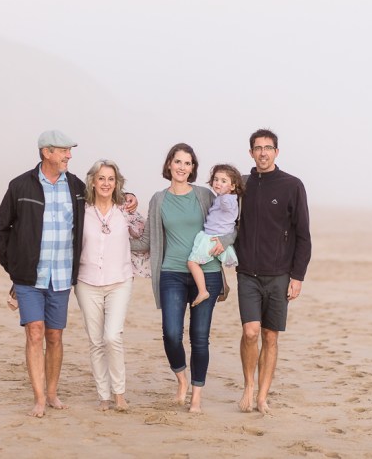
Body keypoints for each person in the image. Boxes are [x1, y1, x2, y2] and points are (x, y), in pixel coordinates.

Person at [0, 130, 137, 417]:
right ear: (46, 152)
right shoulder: (20, 186)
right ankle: (39, 398)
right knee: (35, 332)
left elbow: (104, 198)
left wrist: (129, 197)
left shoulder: (75, 188)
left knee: (54, 335)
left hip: (61, 276)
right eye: (64, 151)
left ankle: (52, 393)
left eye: (69, 151)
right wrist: (15, 268)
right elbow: (3, 228)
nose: (69, 156)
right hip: (29, 278)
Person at [134, 143, 236, 413]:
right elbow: (146, 240)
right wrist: (114, 238)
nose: (182, 167)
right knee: (171, 333)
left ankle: (196, 396)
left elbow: (230, 225)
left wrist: (225, 242)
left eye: (187, 163)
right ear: (169, 164)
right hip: (172, 273)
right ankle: (181, 380)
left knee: (200, 336)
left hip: (208, 273)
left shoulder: (204, 195)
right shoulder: (159, 199)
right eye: (178, 161)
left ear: (193, 168)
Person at [235, 128, 312, 414]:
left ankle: (262, 397)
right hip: (247, 273)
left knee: (270, 336)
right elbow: (215, 206)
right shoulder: (242, 185)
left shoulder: (292, 185)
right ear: (251, 153)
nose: (263, 153)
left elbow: (303, 235)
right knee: (251, 332)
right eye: (258, 148)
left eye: (268, 148)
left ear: (276, 152)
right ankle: (248, 386)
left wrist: (298, 276)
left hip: (279, 274)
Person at [75, 159, 144, 412]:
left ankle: (119, 393)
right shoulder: (82, 211)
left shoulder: (124, 211)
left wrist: (132, 200)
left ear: (117, 183)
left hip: (120, 281)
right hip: (87, 282)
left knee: (112, 337)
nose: (106, 183)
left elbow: (144, 234)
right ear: (93, 181)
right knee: (96, 341)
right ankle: (103, 395)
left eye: (111, 179)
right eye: (101, 178)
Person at [186, 164, 245, 306]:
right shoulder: (220, 197)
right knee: (212, 263)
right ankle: (224, 285)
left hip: (212, 238)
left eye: (224, 181)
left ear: (232, 186)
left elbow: (227, 207)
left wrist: (224, 195)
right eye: (216, 179)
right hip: (213, 236)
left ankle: (202, 291)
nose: (218, 183)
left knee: (192, 263)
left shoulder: (228, 199)